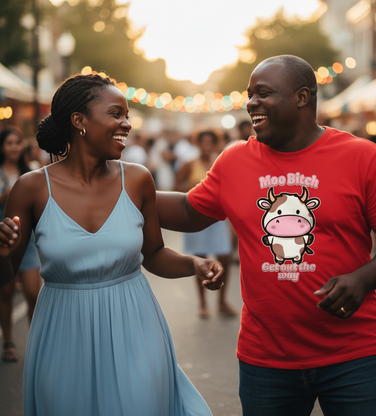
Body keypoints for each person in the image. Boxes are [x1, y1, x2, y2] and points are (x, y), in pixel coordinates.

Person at [156, 55, 376, 416]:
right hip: (266, 359)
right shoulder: (234, 161)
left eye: (263, 93)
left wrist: (363, 278)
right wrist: (124, 188)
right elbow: (189, 211)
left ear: (302, 97)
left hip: (354, 355)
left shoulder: (363, 157)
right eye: (250, 95)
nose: (251, 103)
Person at [0, 74, 224, 416]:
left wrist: (193, 264)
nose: (127, 124)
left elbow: (154, 255)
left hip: (136, 327)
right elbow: (6, 276)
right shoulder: (31, 188)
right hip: (62, 335)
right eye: (116, 114)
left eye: (127, 115)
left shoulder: (136, 180)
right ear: (80, 122)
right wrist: (2, 254)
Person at [175, 130, 236, 318]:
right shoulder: (189, 164)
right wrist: (197, 188)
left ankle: (222, 301)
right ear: (198, 143)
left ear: (216, 143)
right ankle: (203, 304)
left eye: (211, 142)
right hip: (196, 218)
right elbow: (176, 188)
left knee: (224, 258)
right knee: (200, 261)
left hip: (218, 220)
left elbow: (231, 188)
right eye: (204, 142)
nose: (207, 146)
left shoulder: (220, 162)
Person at [0, 126, 42, 363]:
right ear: (2, 147)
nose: (14, 147)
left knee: (33, 293)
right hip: (3, 243)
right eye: (9, 143)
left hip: (28, 243)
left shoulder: (32, 172)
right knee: (5, 293)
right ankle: (8, 340)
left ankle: (36, 343)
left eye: (17, 143)